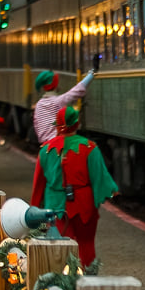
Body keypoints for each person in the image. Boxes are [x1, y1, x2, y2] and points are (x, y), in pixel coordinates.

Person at [32, 104, 117, 266]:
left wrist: (35, 210)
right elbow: (100, 177)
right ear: (76, 125)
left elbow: (38, 185)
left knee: (59, 244)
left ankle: (61, 282)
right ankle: (87, 279)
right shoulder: (89, 148)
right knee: (86, 244)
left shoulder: (45, 150)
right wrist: (111, 192)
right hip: (83, 204)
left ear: (57, 127)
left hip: (54, 205)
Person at [32, 63, 96, 145]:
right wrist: (92, 73)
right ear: (54, 85)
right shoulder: (58, 101)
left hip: (44, 146)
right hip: (57, 144)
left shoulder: (38, 105)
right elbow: (78, 90)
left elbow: (36, 125)